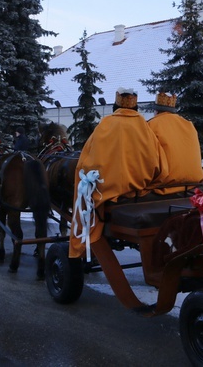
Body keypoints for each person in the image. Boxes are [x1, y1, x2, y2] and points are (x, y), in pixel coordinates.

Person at [69, 88, 168, 259]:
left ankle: (81, 241)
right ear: (135, 107)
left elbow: (86, 162)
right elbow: (158, 164)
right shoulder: (145, 126)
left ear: (116, 105)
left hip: (108, 192)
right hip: (138, 190)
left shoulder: (106, 124)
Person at [146, 92, 203, 195]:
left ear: (156, 111)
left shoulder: (151, 125)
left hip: (166, 186)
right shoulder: (188, 124)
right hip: (193, 183)